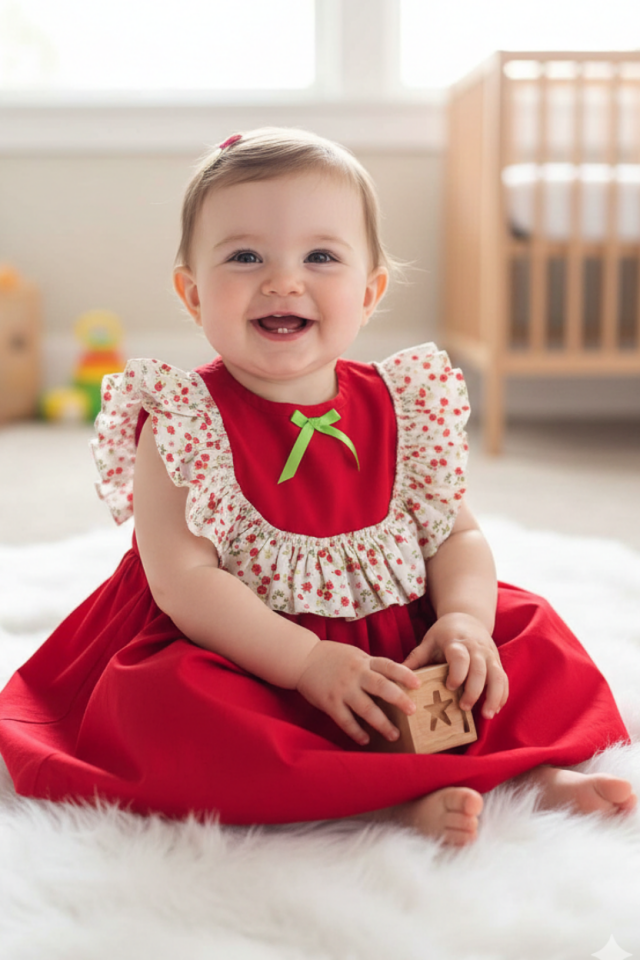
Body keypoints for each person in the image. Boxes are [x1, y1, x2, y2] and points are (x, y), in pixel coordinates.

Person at [0, 128, 635, 847]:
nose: (283, 281)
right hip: (242, 648)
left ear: (368, 294)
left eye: (320, 257)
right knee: (165, 707)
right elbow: (183, 584)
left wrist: (463, 621)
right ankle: (382, 803)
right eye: (245, 257)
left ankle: (525, 776)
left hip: (396, 644)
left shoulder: (401, 406)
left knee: (526, 636)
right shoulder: (181, 422)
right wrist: (306, 663)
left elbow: (455, 534)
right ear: (190, 291)